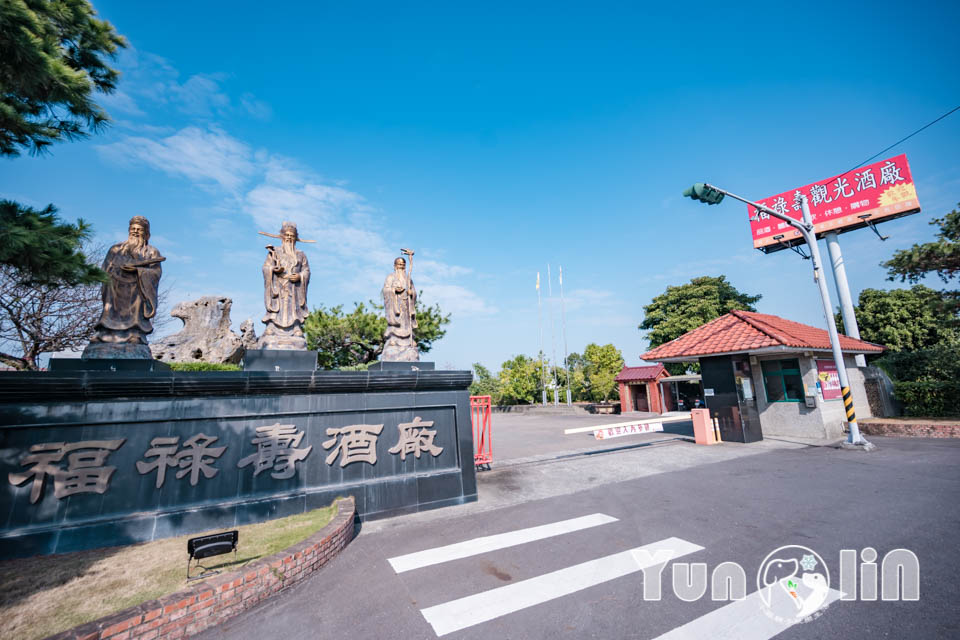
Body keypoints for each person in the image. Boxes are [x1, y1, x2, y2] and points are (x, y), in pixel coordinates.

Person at [87, 216, 164, 347]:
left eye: (139, 229)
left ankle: (134, 333)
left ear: (145, 232)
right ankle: (105, 333)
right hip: (115, 286)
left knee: (137, 303)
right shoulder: (116, 249)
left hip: (137, 286)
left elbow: (156, 272)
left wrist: (139, 271)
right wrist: (116, 271)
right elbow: (105, 268)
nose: (135, 231)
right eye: (133, 228)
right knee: (109, 306)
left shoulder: (151, 252)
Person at [259, 222, 311, 350]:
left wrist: (300, 277)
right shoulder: (274, 252)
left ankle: (295, 327)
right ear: (282, 236)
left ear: (296, 238)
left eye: (292, 236)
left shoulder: (300, 254)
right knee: (277, 306)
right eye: (286, 235)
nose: (289, 238)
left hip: (294, 287)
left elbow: (306, 271)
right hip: (278, 285)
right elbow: (266, 267)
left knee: (293, 307)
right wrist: (273, 269)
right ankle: (272, 326)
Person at [381, 256, 418, 361]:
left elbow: (414, 292)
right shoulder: (390, 277)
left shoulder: (408, 279)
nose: (401, 266)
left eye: (403, 265)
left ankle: (409, 343)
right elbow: (385, 290)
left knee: (406, 323)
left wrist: (412, 293)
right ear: (395, 266)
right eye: (399, 264)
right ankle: (394, 341)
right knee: (397, 323)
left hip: (406, 305)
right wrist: (394, 290)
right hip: (395, 305)